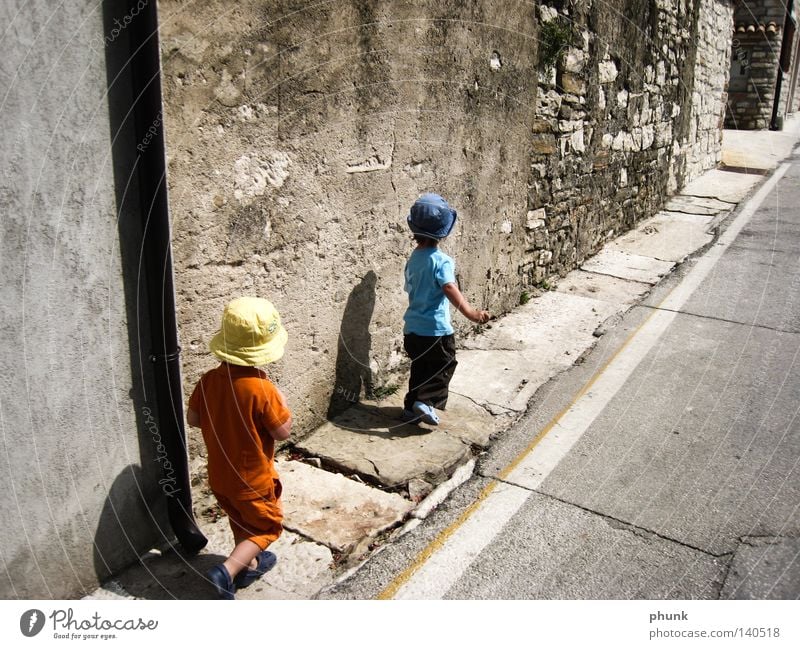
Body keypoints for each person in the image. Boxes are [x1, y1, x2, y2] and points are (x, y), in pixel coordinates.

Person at [186, 297, 291, 599]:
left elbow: (193, 419)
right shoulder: (262, 389)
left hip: (220, 475)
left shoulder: (207, 381)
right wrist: (282, 402)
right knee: (266, 527)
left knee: (240, 519)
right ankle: (227, 571)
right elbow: (282, 432)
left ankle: (250, 563)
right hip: (253, 480)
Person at [402, 193, 490, 425]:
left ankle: (411, 408)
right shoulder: (441, 261)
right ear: (444, 231)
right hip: (435, 331)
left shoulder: (413, 260)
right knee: (444, 364)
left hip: (412, 329)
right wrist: (471, 313)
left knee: (420, 368)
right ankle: (427, 401)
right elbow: (449, 287)